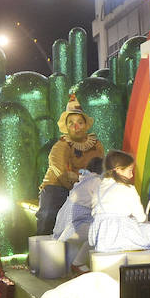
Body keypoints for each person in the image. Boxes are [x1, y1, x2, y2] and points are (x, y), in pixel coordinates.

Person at [36, 96, 106, 236]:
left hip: (86, 187)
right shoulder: (61, 146)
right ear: (66, 127)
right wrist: (80, 183)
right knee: (50, 213)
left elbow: (101, 169)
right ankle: (43, 246)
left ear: (86, 125)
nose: (76, 127)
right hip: (58, 187)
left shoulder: (96, 145)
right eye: (71, 123)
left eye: (80, 122)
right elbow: (63, 174)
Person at [87, 152, 150, 253]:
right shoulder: (128, 188)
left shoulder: (98, 188)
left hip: (102, 238)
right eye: (130, 170)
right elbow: (141, 218)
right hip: (122, 236)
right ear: (118, 170)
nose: (131, 175)